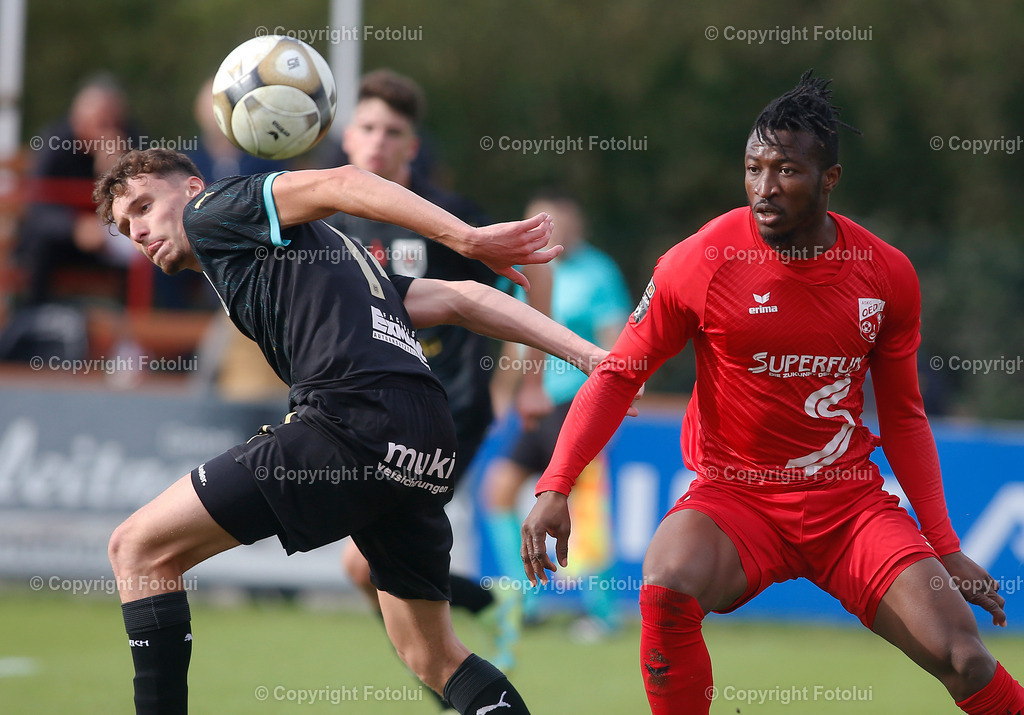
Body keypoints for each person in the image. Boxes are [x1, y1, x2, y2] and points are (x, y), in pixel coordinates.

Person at [521, 71, 1024, 715]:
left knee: (964, 657)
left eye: (785, 170)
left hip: (847, 503)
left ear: (829, 181)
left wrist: (946, 546)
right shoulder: (699, 260)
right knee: (666, 581)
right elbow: (619, 375)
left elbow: (903, 415)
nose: (764, 189)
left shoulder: (886, 274)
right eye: (753, 168)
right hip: (735, 495)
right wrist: (556, 484)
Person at [94, 147, 579, 715]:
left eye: (146, 205)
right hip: (422, 436)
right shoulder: (323, 251)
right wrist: (590, 355)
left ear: (194, 186)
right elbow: (457, 298)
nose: (141, 229)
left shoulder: (212, 209)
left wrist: (465, 240)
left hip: (352, 420)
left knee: (138, 549)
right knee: (434, 656)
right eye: (128, 226)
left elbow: (344, 181)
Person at [328, 69, 552, 644]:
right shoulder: (328, 223)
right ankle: (486, 614)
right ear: (348, 137)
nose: (378, 139)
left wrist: (529, 381)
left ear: (412, 146)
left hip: (447, 407)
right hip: (372, 413)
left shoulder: (446, 216)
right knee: (369, 569)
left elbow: (538, 264)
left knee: (365, 564)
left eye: (392, 130)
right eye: (368, 127)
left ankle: (460, 676)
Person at [483, 190, 631, 660]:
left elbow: (615, 341)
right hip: (535, 405)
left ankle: (603, 612)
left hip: (577, 405)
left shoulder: (598, 272)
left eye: (552, 223)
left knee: (585, 507)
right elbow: (515, 338)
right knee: (498, 493)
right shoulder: (524, 271)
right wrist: (499, 396)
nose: (543, 230)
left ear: (574, 226)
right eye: (534, 222)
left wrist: (617, 397)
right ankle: (526, 598)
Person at [16, 74, 139, 305]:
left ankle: (133, 322)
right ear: (79, 119)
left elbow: (146, 196)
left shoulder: (129, 139)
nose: (107, 130)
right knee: (41, 243)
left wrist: (117, 170)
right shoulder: (55, 143)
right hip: (62, 242)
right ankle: (34, 312)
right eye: (100, 123)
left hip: (110, 239)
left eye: (113, 122)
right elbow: (36, 204)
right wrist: (74, 228)